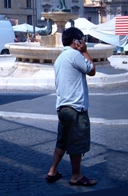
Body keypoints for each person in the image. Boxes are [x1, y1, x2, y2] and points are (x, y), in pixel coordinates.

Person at [46, 27, 98, 186]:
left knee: (62, 141)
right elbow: (92, 70)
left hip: (63, 107)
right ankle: (76, 176)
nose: (83, 42)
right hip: (76, 107)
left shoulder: (60, 57)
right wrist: (85, 51)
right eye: (81, 40)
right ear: (76, 41)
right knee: (77, 142)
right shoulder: (75, 54)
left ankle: (52, 171)